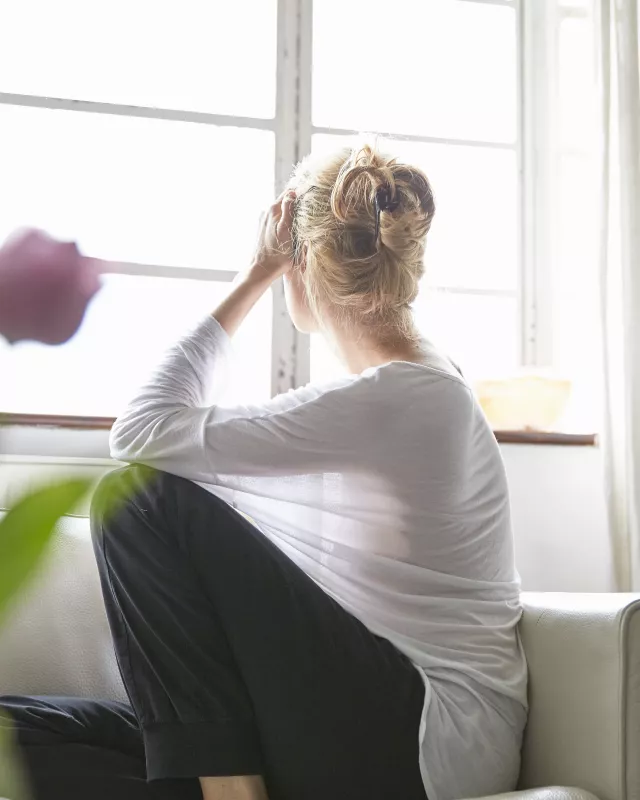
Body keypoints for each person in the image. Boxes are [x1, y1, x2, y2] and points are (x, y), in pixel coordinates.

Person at [1, 145, 528, 800]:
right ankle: (224, 783)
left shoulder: (404, 397)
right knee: (19, 737)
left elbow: (138, 434)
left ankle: (231, 792)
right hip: (353, 724)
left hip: (423, 741)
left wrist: (252, 276)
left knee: (135, 500)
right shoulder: (406, 391)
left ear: (300, 262)